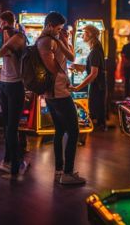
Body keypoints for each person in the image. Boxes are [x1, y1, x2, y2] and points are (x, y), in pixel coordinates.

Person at [37, 12, 86, 185]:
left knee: (59, 131)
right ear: (50, 25)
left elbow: (71, 56)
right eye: (58, 28)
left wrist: (64, 40)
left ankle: (60, 170)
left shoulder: (52, 40)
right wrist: (60, 41)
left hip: (54, 94)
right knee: (74, 132)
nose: (60, 31)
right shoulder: (46, 41)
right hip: (58, 93)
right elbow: (53, 68)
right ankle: (67, 173)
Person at [0, 11, 29, 180]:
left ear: (4, 22)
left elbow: (0, 53)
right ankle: (9, 159)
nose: (1, 26)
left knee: (10, 126)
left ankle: (14, 164)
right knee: (8, 125)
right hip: (8, 83)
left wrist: (7, 40)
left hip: (12, 83)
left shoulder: (17, 36)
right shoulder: (16, 35)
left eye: (1, 23)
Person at [70, 25, 106, 131]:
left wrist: (78, 87)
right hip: (98, 86)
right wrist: (78, 67)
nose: (82, 36)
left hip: (97, 87)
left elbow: (94, 73)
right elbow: (92, 68)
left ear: (90, 34)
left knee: (95, 112)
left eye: (84, 33)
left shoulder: (95, 51)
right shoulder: (96, 49)